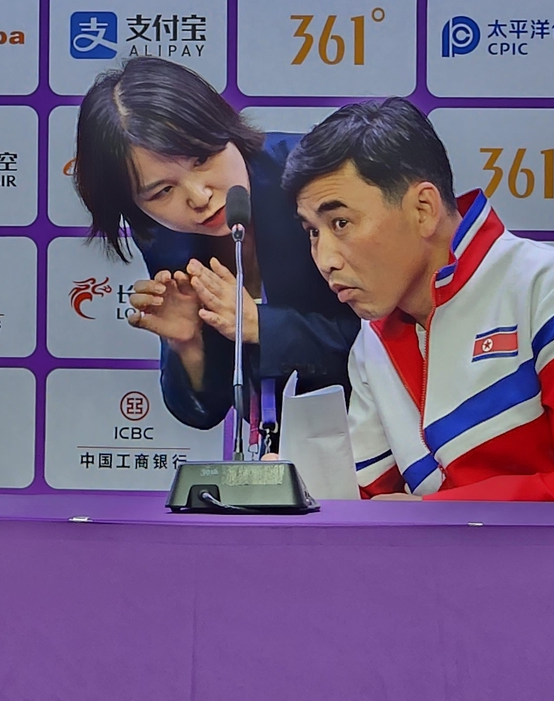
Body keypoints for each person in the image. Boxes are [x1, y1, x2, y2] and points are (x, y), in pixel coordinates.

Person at [283, 97, 554, 501]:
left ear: (423, 209)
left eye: (341, 223)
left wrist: (434, 514)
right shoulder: (372, 341)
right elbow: (367, 499)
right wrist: (294, 489)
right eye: (313, 231)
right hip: (444, 565)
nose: (325, 259)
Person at [72, 56, 359, 436]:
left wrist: (262, 327)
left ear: (223, 127)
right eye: (163, 191)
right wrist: (188, 346)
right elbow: (201, 412)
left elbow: (399, 338)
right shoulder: (162, 234)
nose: (199, 196)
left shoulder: (319, 180)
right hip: (291, 449)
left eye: (203, 158)